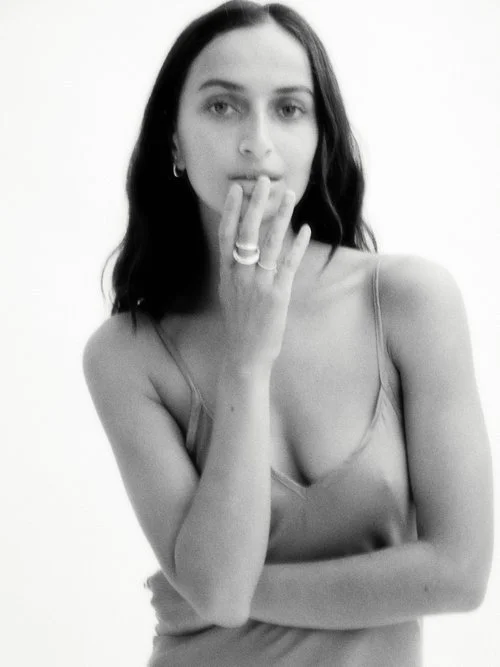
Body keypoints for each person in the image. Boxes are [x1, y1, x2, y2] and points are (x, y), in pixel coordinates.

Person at [82, 1, 493, 665]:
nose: (257, 140)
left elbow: (458, 574)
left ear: (319, 138)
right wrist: (247, 357)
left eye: (289, 108)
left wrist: (226, 590)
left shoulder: (410, 302)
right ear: (174, 141)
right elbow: (217, 590)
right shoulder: (127, 354)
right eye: (222, 106)